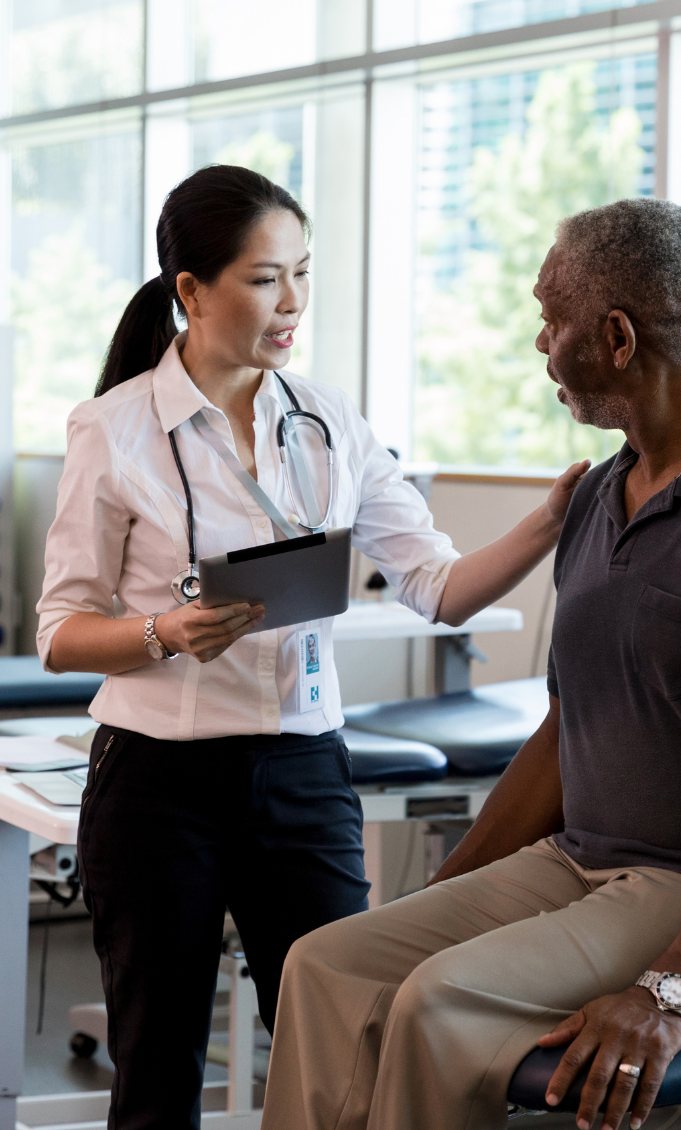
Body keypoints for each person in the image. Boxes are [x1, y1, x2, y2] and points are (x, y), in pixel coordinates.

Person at [261, 198, 681, 1130]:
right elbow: (570, 731)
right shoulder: (602, 493)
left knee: (442, 999)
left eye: (551, 320)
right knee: (329, 965)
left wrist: (671, 992)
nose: (539, 343)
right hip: (588, 862)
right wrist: (448, 896)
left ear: (618, 338)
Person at [36, 164, 587, 1130]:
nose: (291, 303)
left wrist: (546, 523)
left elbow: (439, 586)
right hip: (158, 785)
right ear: (192, 292)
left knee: (346, 1042)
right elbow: (61, 632)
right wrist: (166, 632)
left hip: (302, 773)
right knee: (157, 1067)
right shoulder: (114, 430)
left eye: (303, 273)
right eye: (262, 279)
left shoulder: (329, 419)